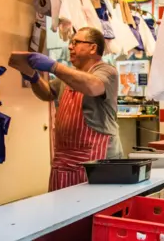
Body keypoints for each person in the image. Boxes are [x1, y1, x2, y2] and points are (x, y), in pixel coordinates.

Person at [9, 27, 122, 191]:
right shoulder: (70, 75)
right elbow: (47, 93)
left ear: (92, 47)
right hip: (64, 156)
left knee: (92, 209)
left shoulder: (106, 71)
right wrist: (33, 77)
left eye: (75, 42)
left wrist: (54, 67)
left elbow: (92, 86)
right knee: (63, 210)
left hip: (97, 157)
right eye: (70, 43)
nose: (70, 47)